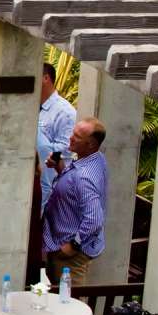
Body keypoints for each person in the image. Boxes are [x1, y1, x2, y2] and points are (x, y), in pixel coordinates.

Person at [41, 117, 109, 278]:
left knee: (67, 299)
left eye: (77, 137)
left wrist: (73, 246)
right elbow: (75, 191)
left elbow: (94, 219)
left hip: (70, 255)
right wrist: (60, 169)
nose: (71, 138)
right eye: (73, 133)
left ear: (91, 144)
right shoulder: (94, 159)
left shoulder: (83, 177)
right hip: (58, 242)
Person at [37, 61, 78, 201]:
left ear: (45, 78)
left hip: (50, 185)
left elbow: (66, 149)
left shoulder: (65, 112)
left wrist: (40, 148)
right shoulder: (30, 107)